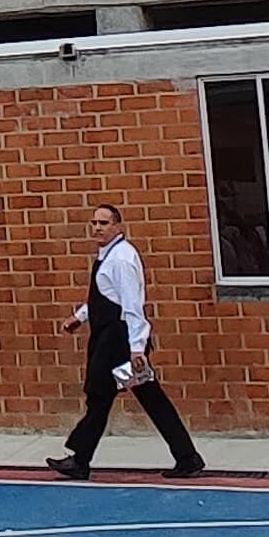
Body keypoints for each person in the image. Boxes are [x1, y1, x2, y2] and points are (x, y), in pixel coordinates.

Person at [47, 202, 205, 481]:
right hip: (113, 340)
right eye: (94, 222)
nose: (97, 227)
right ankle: (185, 457)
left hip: (118, 344)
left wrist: (137, 348)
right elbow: (106, 297)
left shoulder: (121, 258)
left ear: (118, 226)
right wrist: (80, 317)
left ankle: (81, 460)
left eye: (104, 223)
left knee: (109, 395)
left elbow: (132, 305)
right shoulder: (107, 257)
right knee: (122, 397)